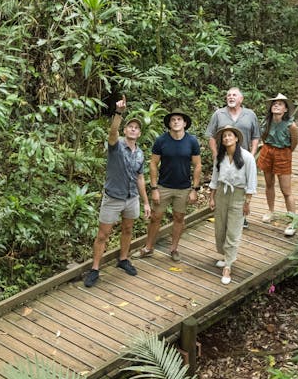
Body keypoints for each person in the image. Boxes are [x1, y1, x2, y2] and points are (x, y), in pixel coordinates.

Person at [84, 98, 148, 287]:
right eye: (130, 127)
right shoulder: (116, 145)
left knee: (128, 228)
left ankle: (123, 259)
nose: (133, 129)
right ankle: (95, 268)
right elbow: (112, 133)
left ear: (140, 133)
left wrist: (145, 201)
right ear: (125, 130)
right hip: (113, 197)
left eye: (136, 128)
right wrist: (119, 113)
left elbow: (140, 178)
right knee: (103, 234)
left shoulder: (140, 153)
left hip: (132, 197)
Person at [137, 111, 202, 261]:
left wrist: (195, 189)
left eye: (179, 119)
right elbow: (153, 164)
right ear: (169, 123)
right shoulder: (161, 140)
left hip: (184, 187)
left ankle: (174, 249)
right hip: (164, 186)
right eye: (173, 120)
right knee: (155, 217)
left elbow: (197, 165)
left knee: (179, 217)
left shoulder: (192, 141)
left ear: (185, 123)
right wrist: (154, 188)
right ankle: (148, 248)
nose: (176, 122)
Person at [208, 125, 257, 285]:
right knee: (220, 228)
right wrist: (212, 197)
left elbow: (251, 182)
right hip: (222, 192)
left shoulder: (247, 157)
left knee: (234, 230)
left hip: (238, 194)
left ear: (236, 138)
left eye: (230, 135)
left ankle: (228, 265)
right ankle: (226, 255)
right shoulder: (219, 157)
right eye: (224, 137)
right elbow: (215, 179)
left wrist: (247, 202)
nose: (227, 138)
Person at [258, 93, 298, 237]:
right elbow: (264, 137)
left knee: (286, 190)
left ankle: (293, 221)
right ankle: (271, 211)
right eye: (274, 104)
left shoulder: (291, 125)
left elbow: (294, 143)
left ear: (286, 109)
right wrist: (269, 149)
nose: (276, 105)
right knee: (269, 184)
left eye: (280, 104)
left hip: (283, 153)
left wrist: (284, 152)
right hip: (268, 150)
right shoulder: (266, 122)